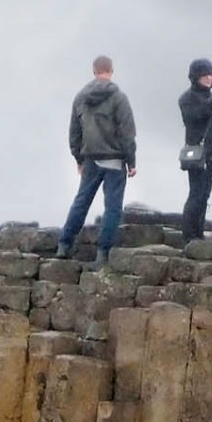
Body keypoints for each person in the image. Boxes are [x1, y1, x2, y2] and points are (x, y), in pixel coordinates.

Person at [56, 55, 137, 266]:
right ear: (111, 70)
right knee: (112, 207)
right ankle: (102, 253)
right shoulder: (119, 97)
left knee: (81, 201)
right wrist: (131, 161)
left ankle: (64, 245)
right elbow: (127, 132)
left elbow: (74, 132)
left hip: (90, 158)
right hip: (115, 160)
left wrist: (78, 158)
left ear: (94, 71)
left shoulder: (80, 97)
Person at [178, 58, 212, 243]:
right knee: (196, 193)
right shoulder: (187, 98)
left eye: (210, 74)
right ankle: (189, 236)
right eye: (204, 75)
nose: (209, 78)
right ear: (195, 76)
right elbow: (194, 115)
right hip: (197, 153)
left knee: (205, 195)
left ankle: (198, 234)